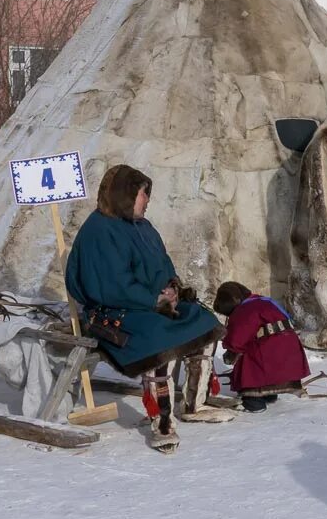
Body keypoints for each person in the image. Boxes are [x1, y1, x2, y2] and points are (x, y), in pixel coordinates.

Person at [66, 164, 235, 454]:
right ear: (125, 195)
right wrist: (153, 300)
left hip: (147, 305)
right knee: (161, 338)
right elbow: (110, 286)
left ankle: (195, 403)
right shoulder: (99, 230)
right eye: (144, 194)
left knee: (203, 321)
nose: (147, 200)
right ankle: (163, 421)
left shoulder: (143, 227)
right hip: (112, 313)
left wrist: (172, 290)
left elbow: (162, 265)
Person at [212, 281, 312, 412]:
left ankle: (254, 403)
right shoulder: (265, 301)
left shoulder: (244, 310)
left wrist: (230, 354)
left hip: (270, 352)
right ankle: (269, 395)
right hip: (290, 352)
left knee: (249, 364)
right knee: (264, 351)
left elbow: (237, 339)